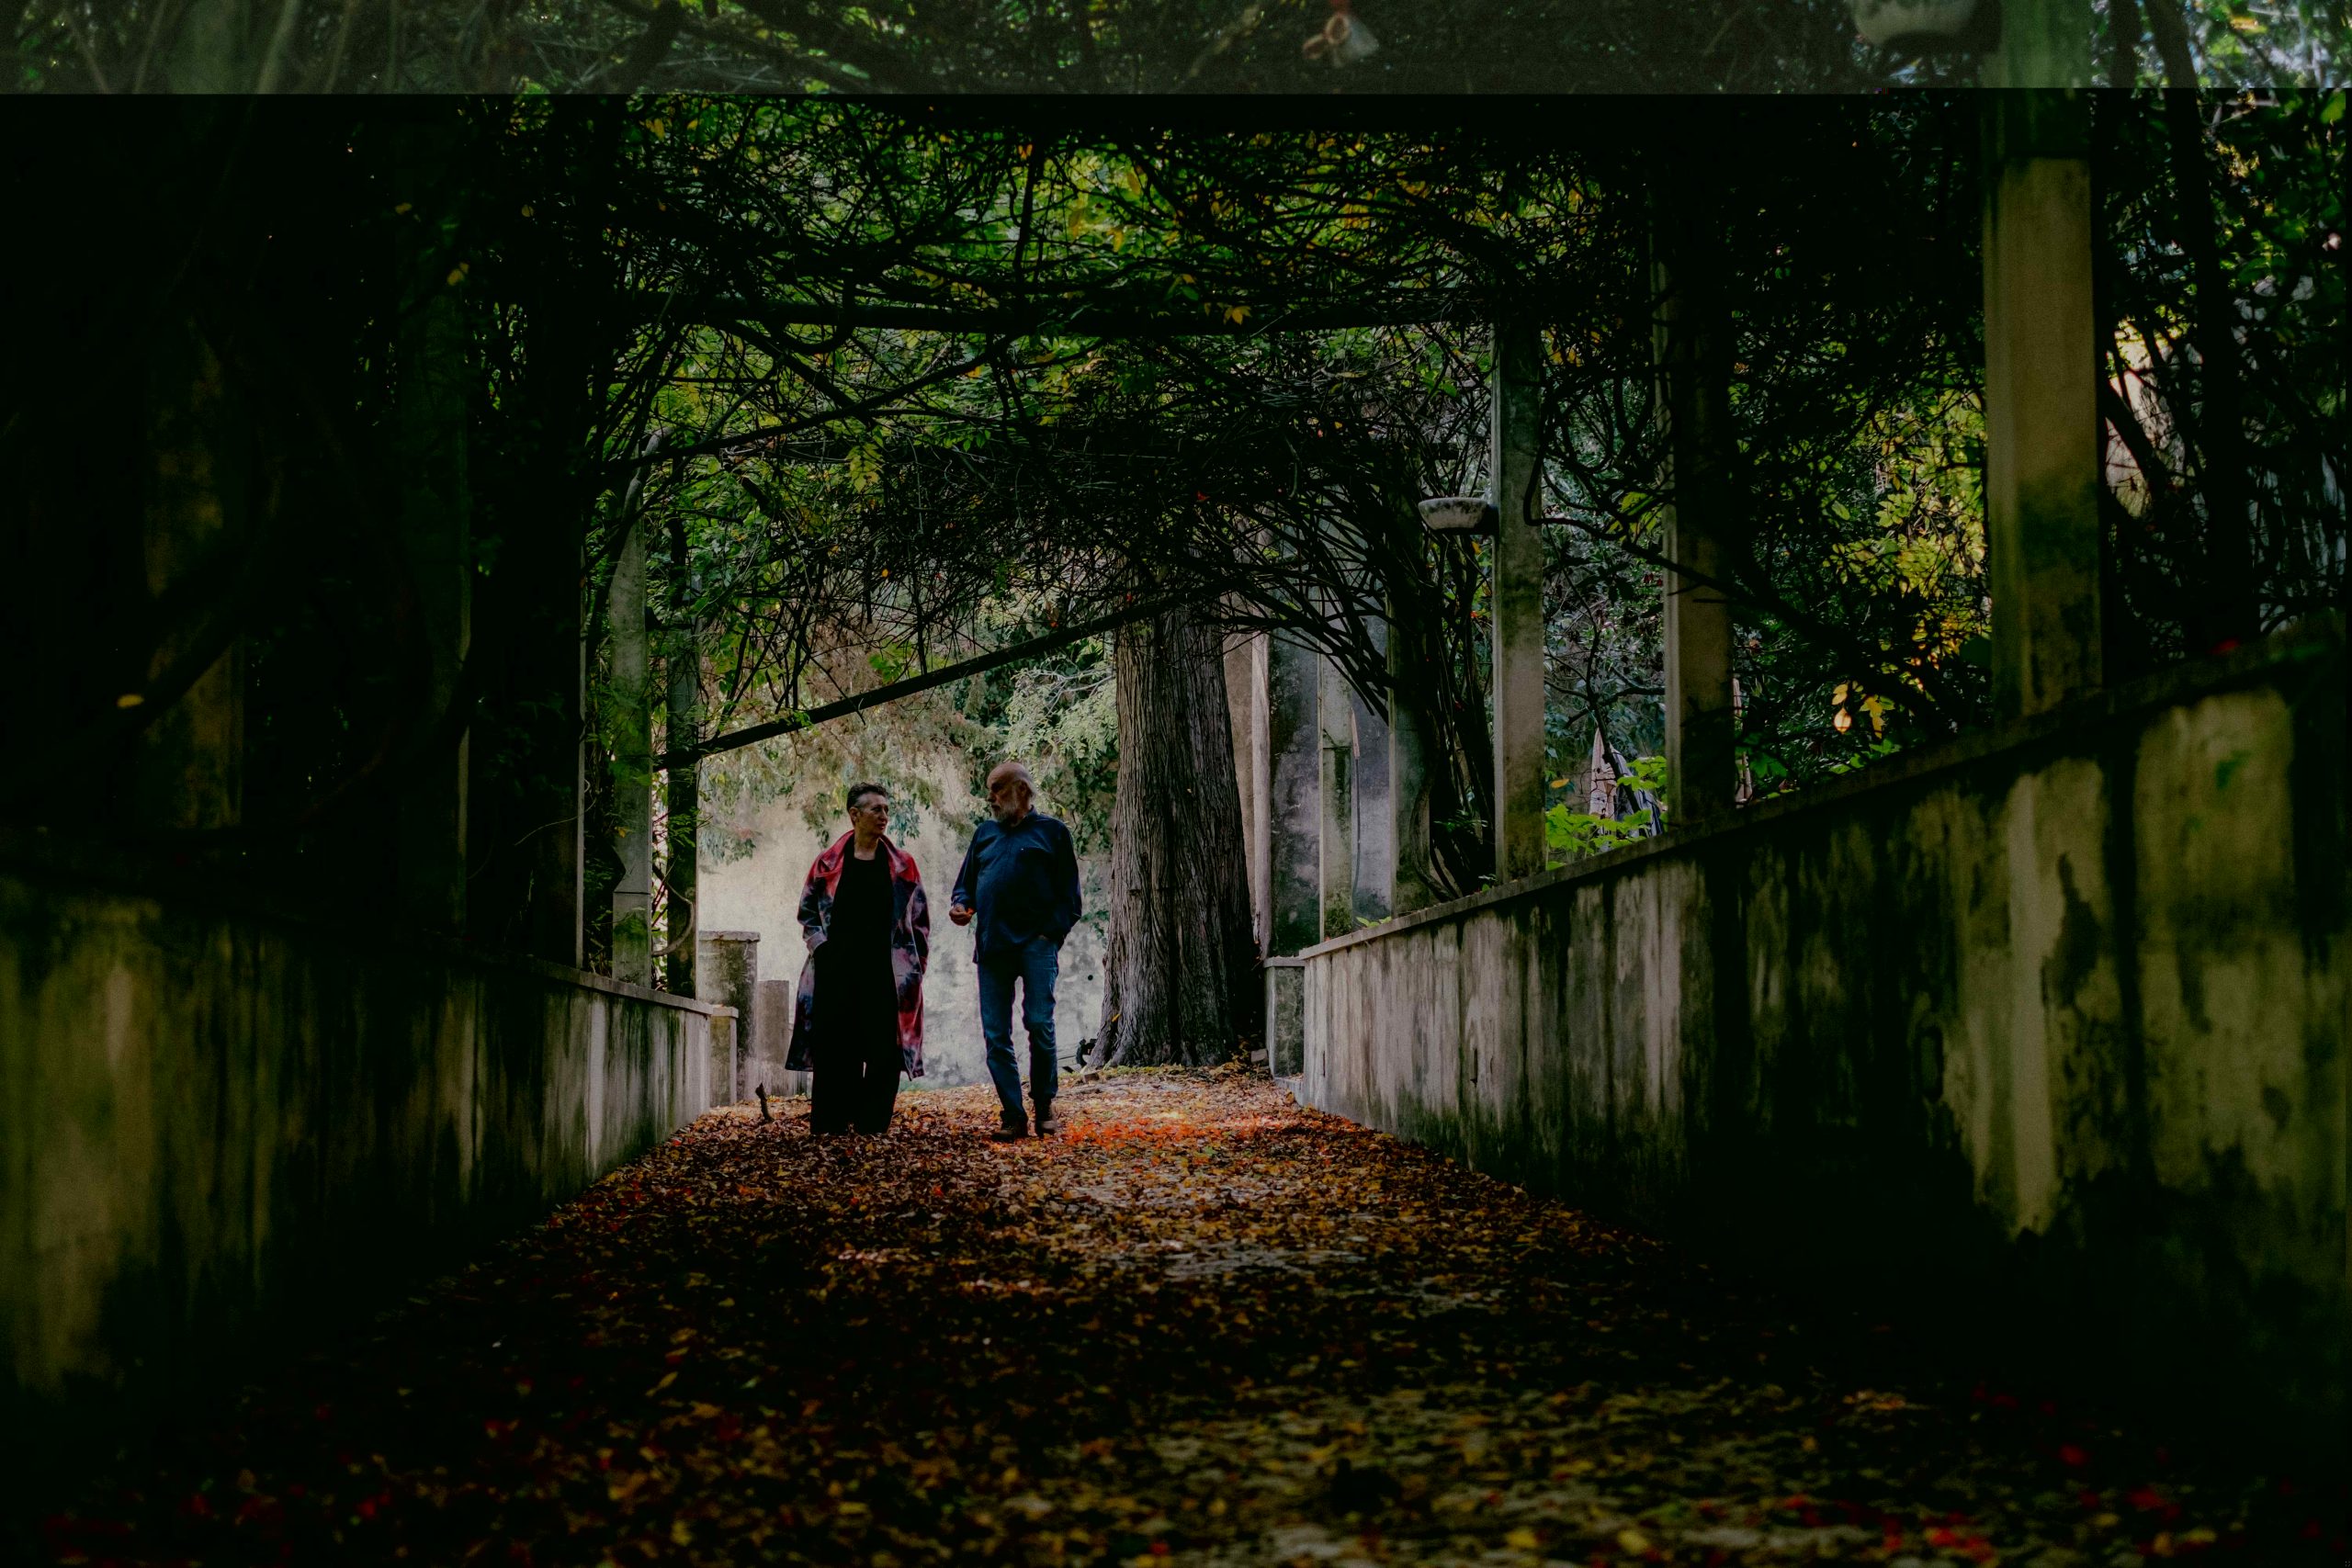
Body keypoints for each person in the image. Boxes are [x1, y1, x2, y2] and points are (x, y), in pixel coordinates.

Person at [784, 782, 930, 1134]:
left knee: (885, 1052)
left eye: (886, 809)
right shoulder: (827, 863)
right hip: (836, 973)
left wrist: (914, 969)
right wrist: (822, 948)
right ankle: (832, 1122)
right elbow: (807, 914)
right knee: (835, 1048)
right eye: (875, 809)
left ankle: (872, 1124)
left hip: (885, 974)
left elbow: (920, 921)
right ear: (854, 815)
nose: (884, 816)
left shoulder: (903, 866)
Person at [950, 761, 1081, 1141]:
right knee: (996, 1035)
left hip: (1036, 947)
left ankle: (1044, 1106)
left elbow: (1069, 898)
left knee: (1039, 1023)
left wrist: (1047, 937)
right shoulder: (984, 834)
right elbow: (965, 886)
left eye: (996, 789)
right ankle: (1012, 1114)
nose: (989, 798)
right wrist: (961, 905)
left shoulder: (1053, 833)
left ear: (1021, 790)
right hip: (992, 947)